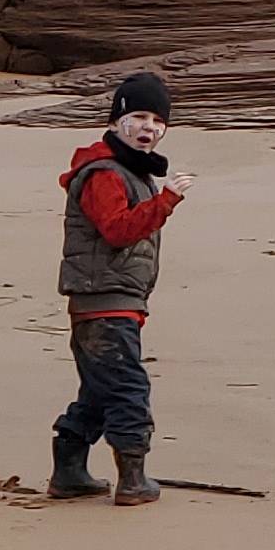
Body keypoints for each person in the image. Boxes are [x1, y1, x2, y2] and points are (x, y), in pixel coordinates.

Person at [48, 68, 182, 502]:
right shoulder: (106, 173)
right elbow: (118, 230)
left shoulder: (129, 171)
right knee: (127, 388)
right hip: (105, 304)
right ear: (115, 122)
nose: (149, 127)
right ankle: (132, 479)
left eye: (158, 121)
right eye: (140, 116)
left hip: (109, 303)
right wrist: (166, 202)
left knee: (100, 390)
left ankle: (68, 474)